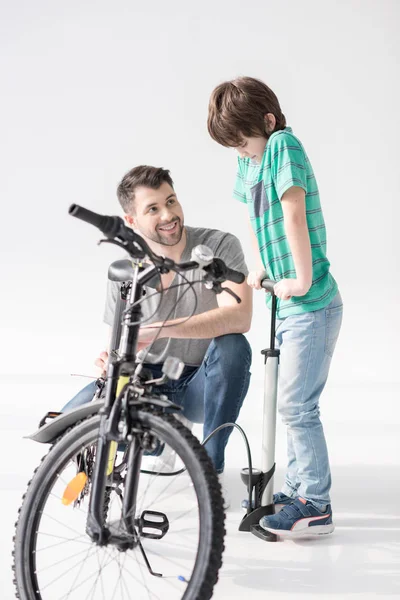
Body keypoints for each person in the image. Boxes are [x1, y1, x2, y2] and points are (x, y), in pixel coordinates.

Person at [62, 165, 252, 505]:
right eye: (153, 209)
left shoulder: (218, 245)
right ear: (131, 220)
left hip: (199, 382)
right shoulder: (124, 271)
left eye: (171, 201)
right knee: (69, 425)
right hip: (145, 382)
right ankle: (145, 450)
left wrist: (164, 329)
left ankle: (208, 468)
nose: (169, 215)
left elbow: (240, 316)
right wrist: (108, 360)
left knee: (234, 346)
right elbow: (115, 342)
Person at [208, 76, 343, 536]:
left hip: (313, 303)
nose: (241, 153)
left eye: (243, 142)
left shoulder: (283, 144)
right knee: (289, 404)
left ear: (266, 122)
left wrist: (300, 280)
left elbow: (292, 212)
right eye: (234, 147)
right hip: (288, 306)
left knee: (297, 405)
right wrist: (261, 270)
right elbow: (252, 213)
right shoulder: (251, 161)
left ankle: (317, 503)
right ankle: (299, 487)